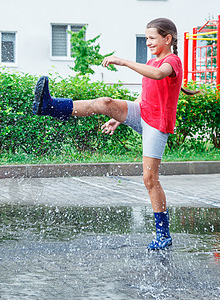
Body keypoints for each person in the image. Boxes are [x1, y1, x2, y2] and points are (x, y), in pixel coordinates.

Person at [32, 18, 196, 250]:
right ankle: (51, 107)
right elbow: (146, 93)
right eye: (146, 38)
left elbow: (159, 76)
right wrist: (118, 119)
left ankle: (163, 234)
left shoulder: (172, 61)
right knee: (105, 102)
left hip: (157, 125)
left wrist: (124, 61)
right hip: (142, 112)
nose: (148, 42)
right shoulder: (153, 61)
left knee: (149, 180)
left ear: (167, 39)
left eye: (152, 38)